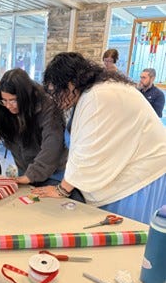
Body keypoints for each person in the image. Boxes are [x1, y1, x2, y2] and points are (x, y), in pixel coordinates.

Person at [32, 52, 166, 224]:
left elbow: (87, 151)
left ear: (71, 85)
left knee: (123, 232)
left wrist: (61, 190)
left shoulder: (96, 97)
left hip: (139, 175)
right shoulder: (98, 90)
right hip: (141, 163)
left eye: (55, 91)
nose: (55, 98)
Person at [0, 68, 68, 187]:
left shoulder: (47, 106)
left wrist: (32, 174)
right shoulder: (1, 106)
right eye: (4, 100)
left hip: (54, 171)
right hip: (26, 168)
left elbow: (52, 145)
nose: (8, 106)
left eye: (13, 100)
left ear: (25, 96)